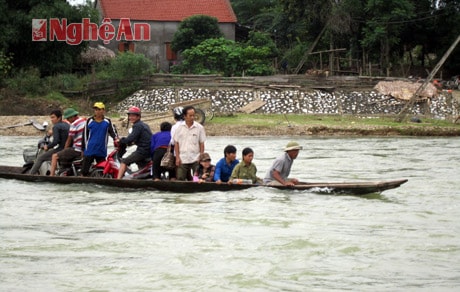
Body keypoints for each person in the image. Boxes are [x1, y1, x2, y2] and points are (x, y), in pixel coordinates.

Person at [81, 102, 119, 176]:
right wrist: (83, 149)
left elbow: (113, 132)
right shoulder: (89, 121)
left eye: (99, 109)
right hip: (90, 149)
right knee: (84, 170)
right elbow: (85, 136)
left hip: (101, 149)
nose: (97, 111)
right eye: (96, 110)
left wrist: (116, 139)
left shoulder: (107, 121)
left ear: (103, 110)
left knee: (103, 170)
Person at [29, 109, 69, 175]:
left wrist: (47, 146)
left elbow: (56, 141)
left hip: (61, 149)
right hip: (68, 148)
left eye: (53, 117)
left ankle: (30, 175)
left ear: (59, 118)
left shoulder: (56, 127)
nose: (51, 119)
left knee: (40, 158)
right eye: (51, 117)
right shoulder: (66, 124)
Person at [117, 106, 152, 179]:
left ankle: (118, 180)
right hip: (148, 150)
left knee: (124, 161)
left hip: (143, 151)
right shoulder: (144, 125)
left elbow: (131, 138)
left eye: (133, 116)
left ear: (138, 116)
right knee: (140, 163)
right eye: (130, 115)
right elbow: (137, 138)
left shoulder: (137, 126)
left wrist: (120, 140)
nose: (131, 117)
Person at [49, 108, 86, 176]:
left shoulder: (74, 124)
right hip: (84, 148)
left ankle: (52, 175)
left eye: (68, 119)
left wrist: (64, 149)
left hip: (77, 149)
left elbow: (69, 140)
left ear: (72, 117)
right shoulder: (83, 121)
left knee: (55, 156)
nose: (68, 120)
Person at [173, 106, 206, 181]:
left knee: (197, 179)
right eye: (190, 116)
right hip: (182, 158)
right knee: (180, 178)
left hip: (196, 158)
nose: (192, 117)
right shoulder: (179, 128)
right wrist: (177, 157)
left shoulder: (199, 128)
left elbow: (202, 143)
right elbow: (176, 143)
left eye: (193, 115)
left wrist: (201, 156)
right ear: (184, 116)